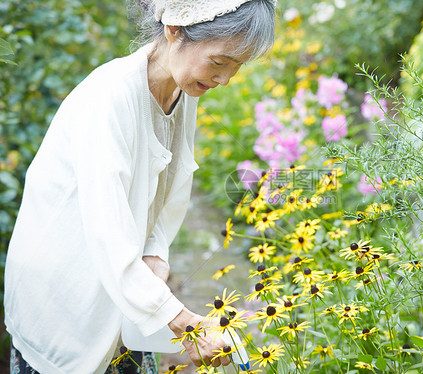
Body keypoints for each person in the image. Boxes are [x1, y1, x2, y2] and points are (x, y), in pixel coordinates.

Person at [3, 0, 276, 372]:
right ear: (174, 30)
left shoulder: (182, 89)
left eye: (236, 67)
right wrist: (184, 322)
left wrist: (155, 253)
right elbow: (106, 229)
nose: (224, 79)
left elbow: (167, 188)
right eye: (219, 62)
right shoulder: (109, 99)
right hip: (65, 291)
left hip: (125, 289)